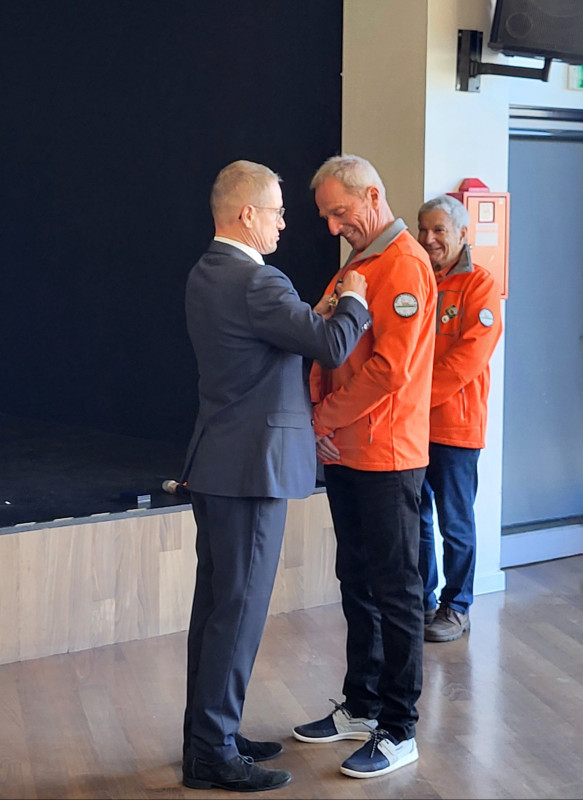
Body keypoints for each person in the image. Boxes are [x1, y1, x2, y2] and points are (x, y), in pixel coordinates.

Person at [179, 159, 371, 793]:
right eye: (279, 212)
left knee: (215, 610)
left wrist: (309, 314)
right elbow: (334, 344)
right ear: (247, 215)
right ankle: (212, 754)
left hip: (218, 464)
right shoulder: (259, 283)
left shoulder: (209, 272)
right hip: (250, 472)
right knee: (236, 614)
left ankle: (210, 736)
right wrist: (354, 300)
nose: (287, 223)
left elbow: (274, 343)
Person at [292, 155, 437, 779]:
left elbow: (388, 371)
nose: (332, 226)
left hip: (388, 455)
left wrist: (323, 420)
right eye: (325, 216)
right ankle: (361, 704)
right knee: (356, 579)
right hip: (348, 450)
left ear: (372, 195)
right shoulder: (356, 264)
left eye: (340, 212)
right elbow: (329, 347)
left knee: (397, 591)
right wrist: (320, 414)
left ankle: (399, 727)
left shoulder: (403, 264)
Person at [416, 194, 502, 642]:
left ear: (463, 235)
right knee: (416, 520)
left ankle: (458, 606)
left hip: (455, 428)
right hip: (412, 430)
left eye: (439, 231)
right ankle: (422, 602)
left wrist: (413, 398)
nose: (429, 239)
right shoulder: (416, 280)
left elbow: (466, 360)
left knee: (455, 523)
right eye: (423, 230)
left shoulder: (479, 286)